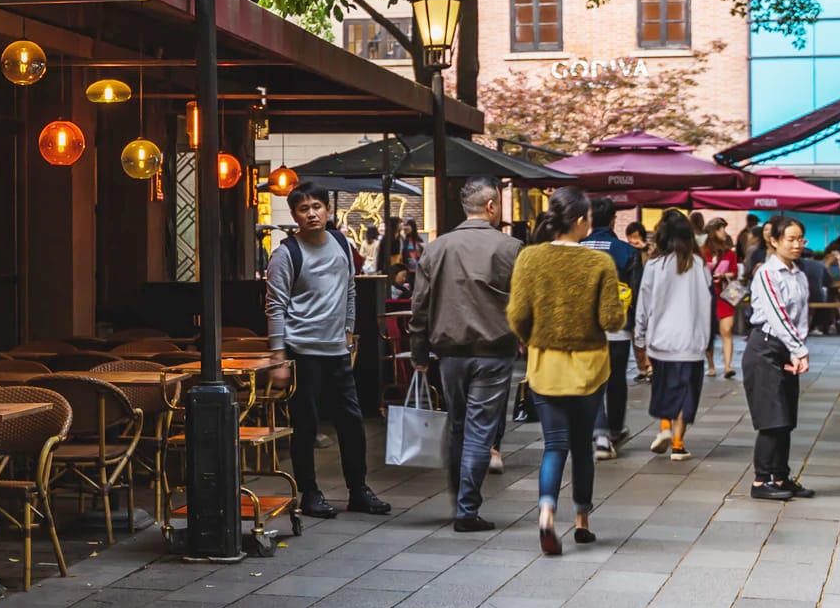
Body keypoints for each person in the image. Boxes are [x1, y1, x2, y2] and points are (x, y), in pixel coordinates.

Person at [508, 186, 625, 555]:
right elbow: (610, 318)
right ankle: (582, 521)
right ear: (579, 222)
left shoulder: (530, 258)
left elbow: (517, 316)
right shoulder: (599, 264)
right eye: (589, 217)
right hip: (589, 367)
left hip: (546, 365)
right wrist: (622, 303)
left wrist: (534, 337)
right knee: (582, 448)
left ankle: (546, 512)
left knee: (554, 445)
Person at [267, 183, 390, 519]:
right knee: (305, 423)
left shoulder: (339, 243)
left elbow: (350, 287)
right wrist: (278, 356)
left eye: (317, 206)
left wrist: (349, 330)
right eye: (304, 209)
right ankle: (309, 492)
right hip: (302, 349)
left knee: (352, 421)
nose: (311, 213)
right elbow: (275, 306)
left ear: (327, 210)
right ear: (294, 215)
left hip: (337, 348)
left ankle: (359, 489)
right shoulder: (286, 253)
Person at [409, 178, 522, 532]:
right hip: (494, 350)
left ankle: (460, 497)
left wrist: (418, 350)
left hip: (450, 352)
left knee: (458, 424)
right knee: (480, 429)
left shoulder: (436, 248)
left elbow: (419, 305)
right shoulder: (511, 248)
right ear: (491, 206)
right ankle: (467, 508)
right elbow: (523, 302)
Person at [743, 216, 815, 501]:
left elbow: (801, 316)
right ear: (774, 241)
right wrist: (800, 350)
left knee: (786, 417)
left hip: (786, 347)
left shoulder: (798, 273)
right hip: (764, 348)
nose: (797, 244)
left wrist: (798, 347)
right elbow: (778, 315)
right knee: (771, 417)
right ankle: (762, 481)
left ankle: (781, 476)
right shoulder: (766, 274)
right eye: (791, 239)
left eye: (801, 239)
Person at [634, 210, 709, 462]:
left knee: (664, 387)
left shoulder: (654, 265)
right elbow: (707, 303)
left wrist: (640, 336)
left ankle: (664, 429)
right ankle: (678, 444)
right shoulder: (699, 266)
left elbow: (643, 303)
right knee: (687, 392)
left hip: (661, 340)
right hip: (692, 341)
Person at [580, 197, 641, 459]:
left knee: (593, 380)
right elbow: (637, 293)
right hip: (618, 327)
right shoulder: (627, 252)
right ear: (614, 219)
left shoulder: (576, 249)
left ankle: (600, 432)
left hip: (584, 327)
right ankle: (614, 429)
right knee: (616, 379)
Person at [703, 225, 741, 380]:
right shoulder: (702, 252)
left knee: (727, 330)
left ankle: (727, 366)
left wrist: (724, 274)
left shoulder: (729, 253)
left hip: (725, 295)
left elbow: (735, 272)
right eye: (721, 229)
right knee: (708, 332)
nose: (724, 232)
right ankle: (711, 365)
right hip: (707, 295)